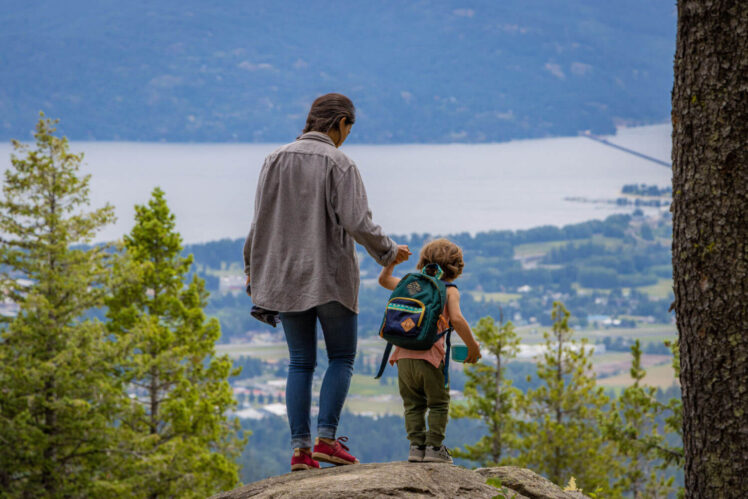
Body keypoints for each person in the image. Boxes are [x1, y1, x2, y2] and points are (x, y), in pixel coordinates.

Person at [243, 93, 411, 472]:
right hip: (330, 276)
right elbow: (357, 221)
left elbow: (260, 221)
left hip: (284, 278)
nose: (347, 135)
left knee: (300, 362)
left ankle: (300, 451)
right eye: (348, 127)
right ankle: (327, 441)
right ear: (339, 122)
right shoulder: (340, 163)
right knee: (341, 357)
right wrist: (388, 252)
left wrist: (252, 267)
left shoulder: (273, 160)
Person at [378, 238, 481, 463]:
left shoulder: (414, 286)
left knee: (413, 404)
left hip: (402, 356)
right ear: (456, 267)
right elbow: (456, 318)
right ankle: (434, 448)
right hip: (431, 358)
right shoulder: (449, 289)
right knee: (438, 403)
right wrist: (473, 346)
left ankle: (416, 447)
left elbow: (384, 280)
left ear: (424, 261)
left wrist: (392, 261)